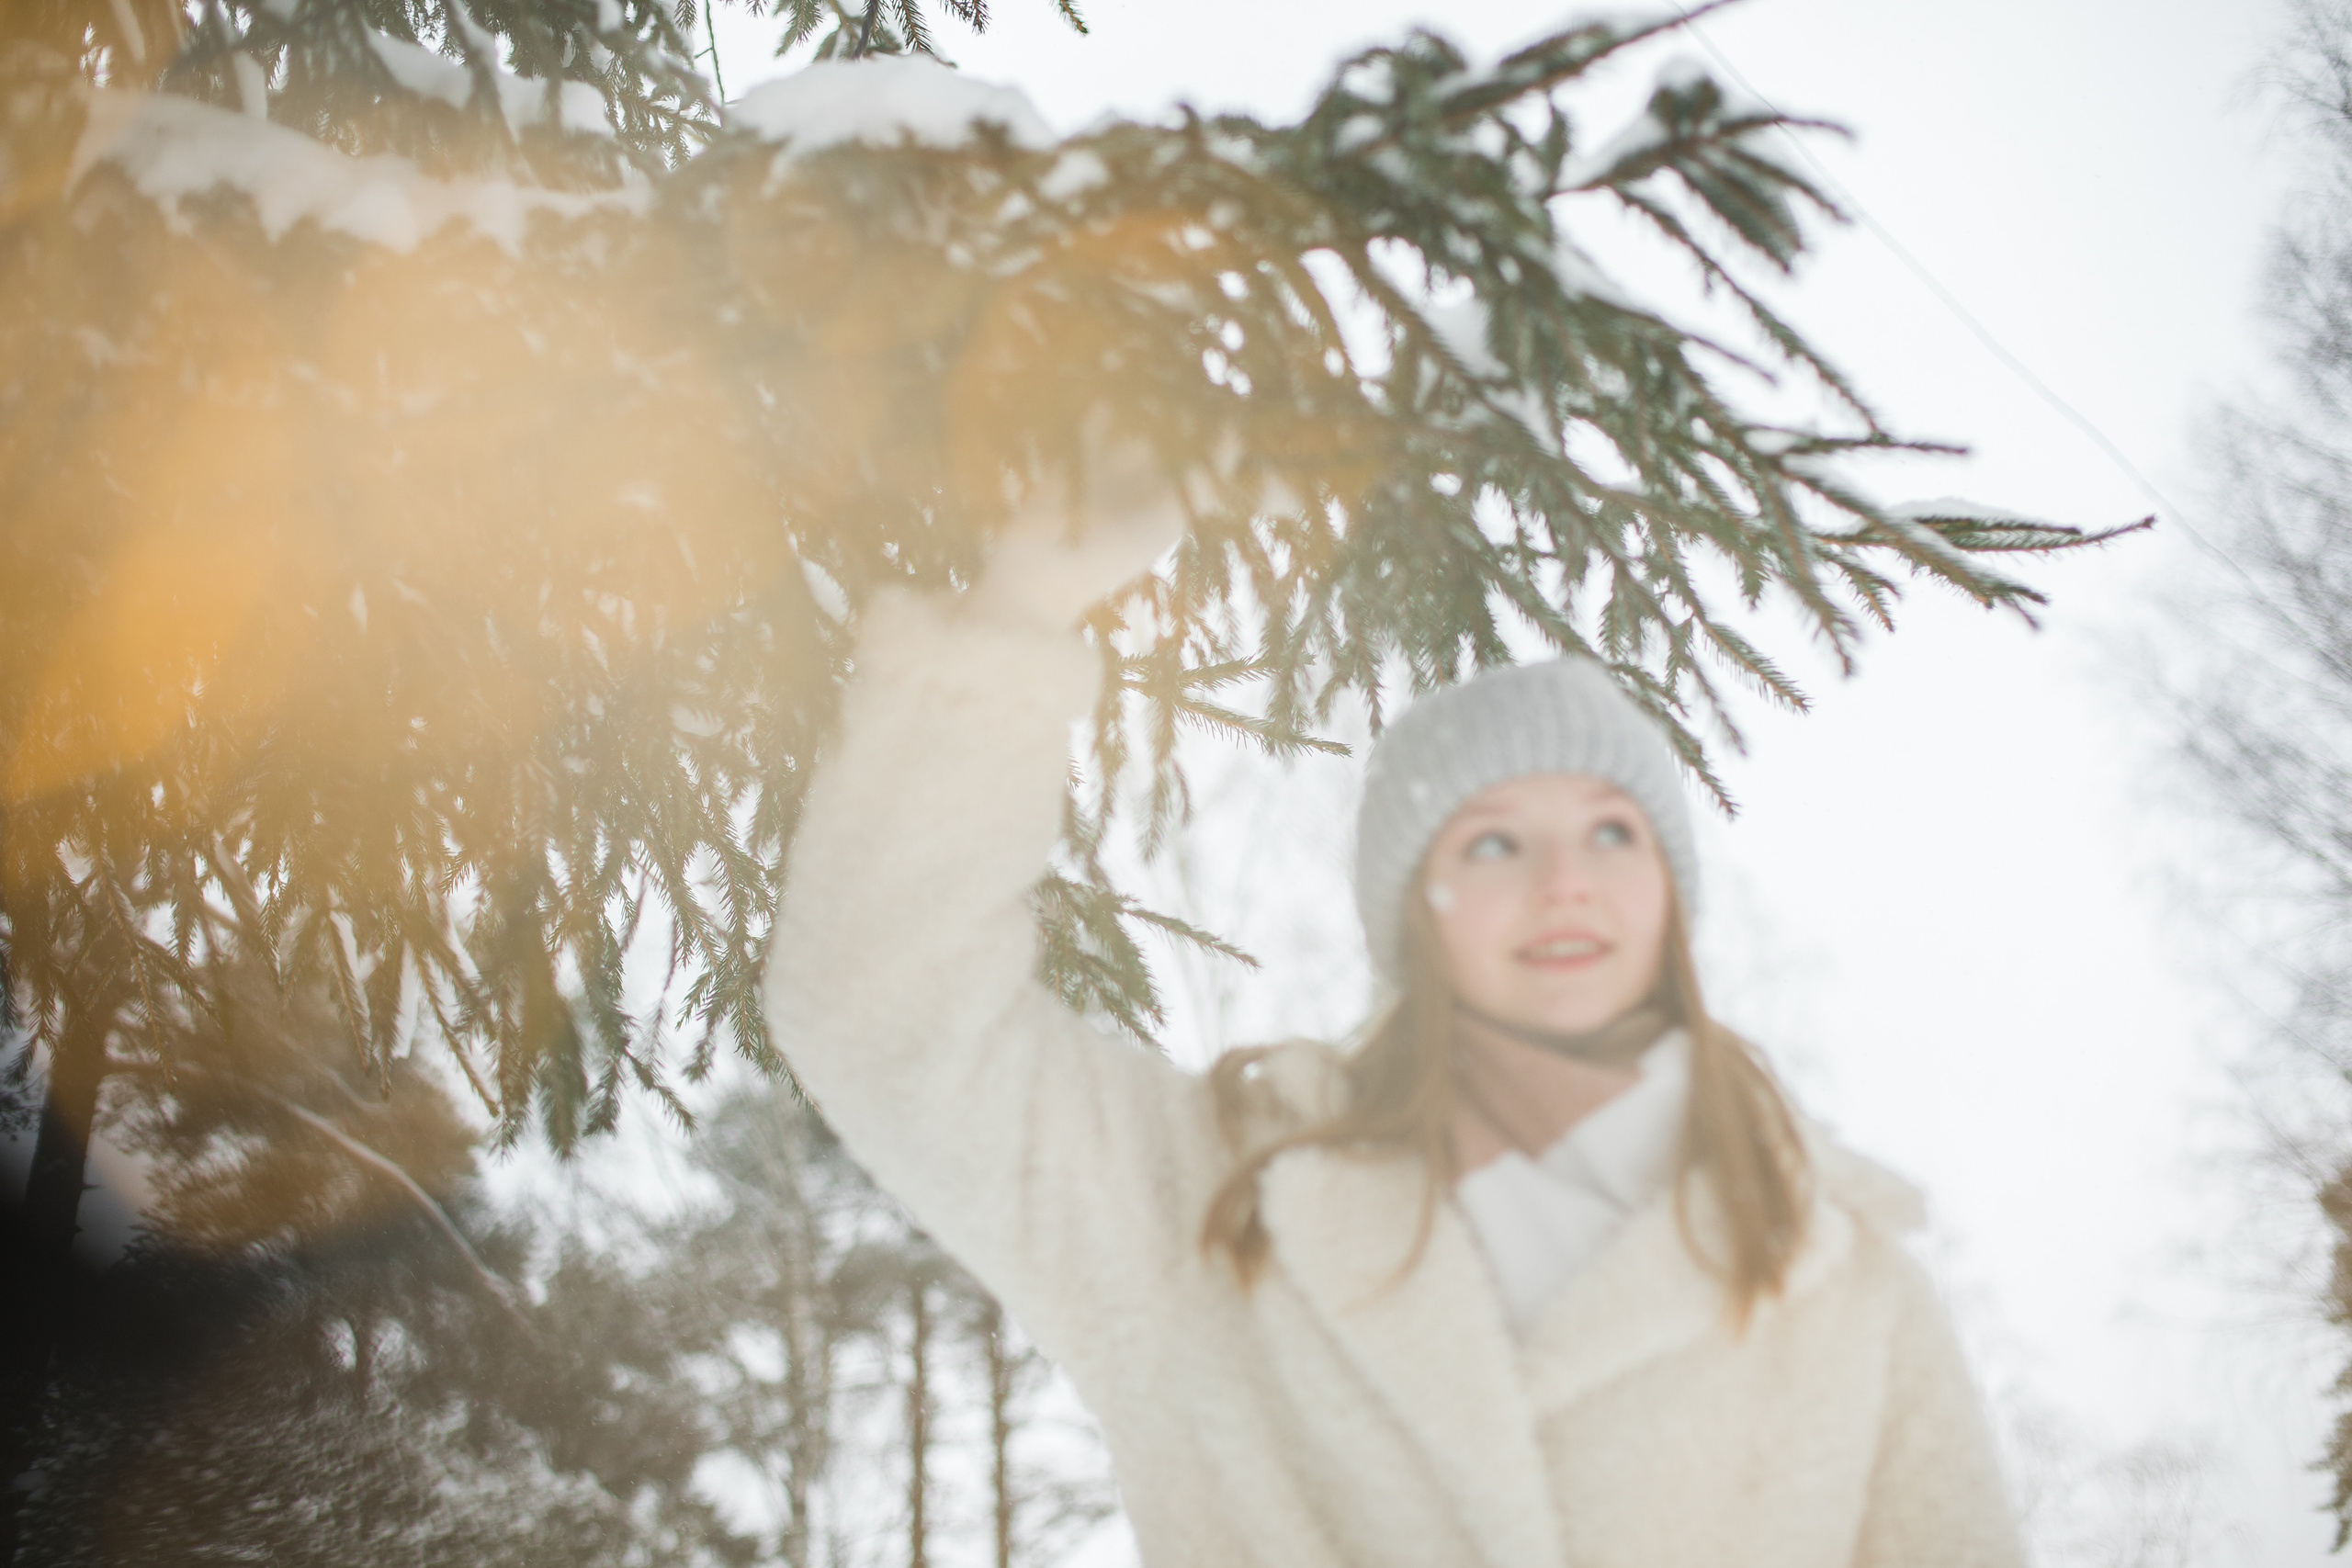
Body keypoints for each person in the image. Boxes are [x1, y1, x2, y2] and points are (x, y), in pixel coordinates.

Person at [762, 453, 2024, 1568]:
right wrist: (1018, 617)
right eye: (1491, 844)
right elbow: (883, 1013)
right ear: (1410, 914)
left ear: (1670, 894)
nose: (1564, 878)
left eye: (1610, 828)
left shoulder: (1844, 1285)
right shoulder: (1212, 1209)